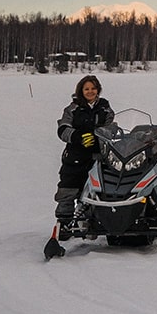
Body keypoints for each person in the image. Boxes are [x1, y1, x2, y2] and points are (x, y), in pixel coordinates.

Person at [54, 74, 114, 236]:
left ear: (98, 90)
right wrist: (78, 137)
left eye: (93, 88)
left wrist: (99, 137)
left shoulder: (105, 108)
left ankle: (91, 223)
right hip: (75, 156)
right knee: (68, 190)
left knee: (95, 191)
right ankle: (63, 226)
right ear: (81, 90)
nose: (90, 91)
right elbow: (63, 128)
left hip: (98, 155)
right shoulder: (73, 108)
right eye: (86, 89)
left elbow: (111, 127)